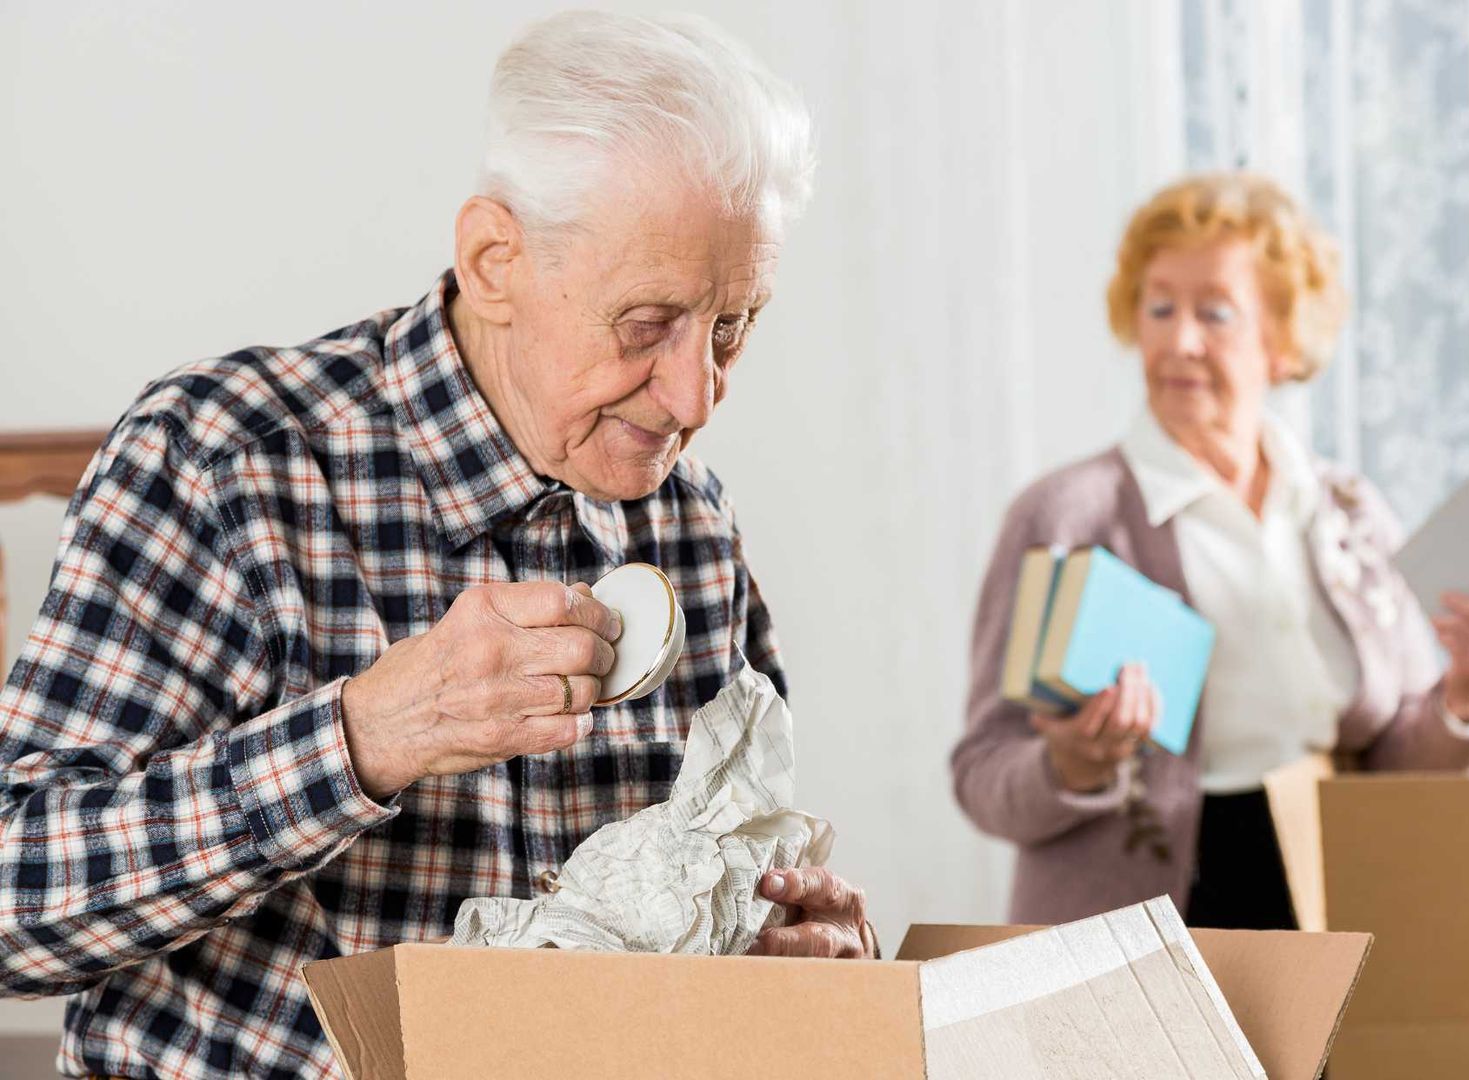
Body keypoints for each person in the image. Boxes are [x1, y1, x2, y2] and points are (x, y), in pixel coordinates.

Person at [0, 13, 873, 1079]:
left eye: (734, 325)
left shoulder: (691, 522)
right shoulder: (224, 460)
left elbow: (727, 894)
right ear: (495, 260)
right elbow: (12, 905)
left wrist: (816, 955)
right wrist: (366, 737)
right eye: (647, 323)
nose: (695, 396)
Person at [952, 172, 1469, 929]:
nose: (1178, 340)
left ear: (1283, 345)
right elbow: (982, 772)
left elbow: (1395, 757)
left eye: (1214, 313)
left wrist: (1467, 693)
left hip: (1331, 901)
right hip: (1144, 932)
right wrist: (1072, 763)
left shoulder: (1348, 511)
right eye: (1158, 307)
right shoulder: (1064, 516)